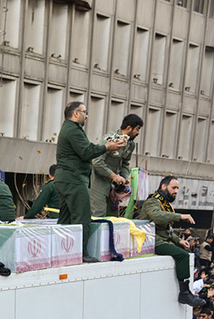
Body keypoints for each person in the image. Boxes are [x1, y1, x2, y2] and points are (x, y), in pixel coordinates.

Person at [54, 101, 126, 261]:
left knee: (66, 220)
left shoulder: (69, 129)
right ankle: (81, 253)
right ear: (75, 114)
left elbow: (86, 149)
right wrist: (107, 147)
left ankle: (63, 252)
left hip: (64, 179)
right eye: (84, 112)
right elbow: (86, 152)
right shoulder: (73, 130)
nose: (87, 115)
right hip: (74, 179)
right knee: (82, 217)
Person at [142, 176, 205, 307]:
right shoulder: (153, 201)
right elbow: (157, 217)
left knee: (184, 251)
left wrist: (179, 240)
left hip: (161, 238)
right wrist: (180, 216)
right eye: (174, 188)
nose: (176, 191)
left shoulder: (165, 204)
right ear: (163, 187)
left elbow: (167, 228)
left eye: (177, 188)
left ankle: (186, 290)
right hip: (151, 240)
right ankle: (184, 294)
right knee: (182, 256)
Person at [90, 114, 143, 216]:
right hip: (99, 184)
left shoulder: (130, 144)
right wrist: (114, 176)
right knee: (99, 214)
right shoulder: (110, 138)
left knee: (114, 216)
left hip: (114, 187)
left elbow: (125, 163)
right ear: (128, 128)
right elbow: (96, 162)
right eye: (137, 129)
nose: (138, 133)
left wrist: (126, 178)